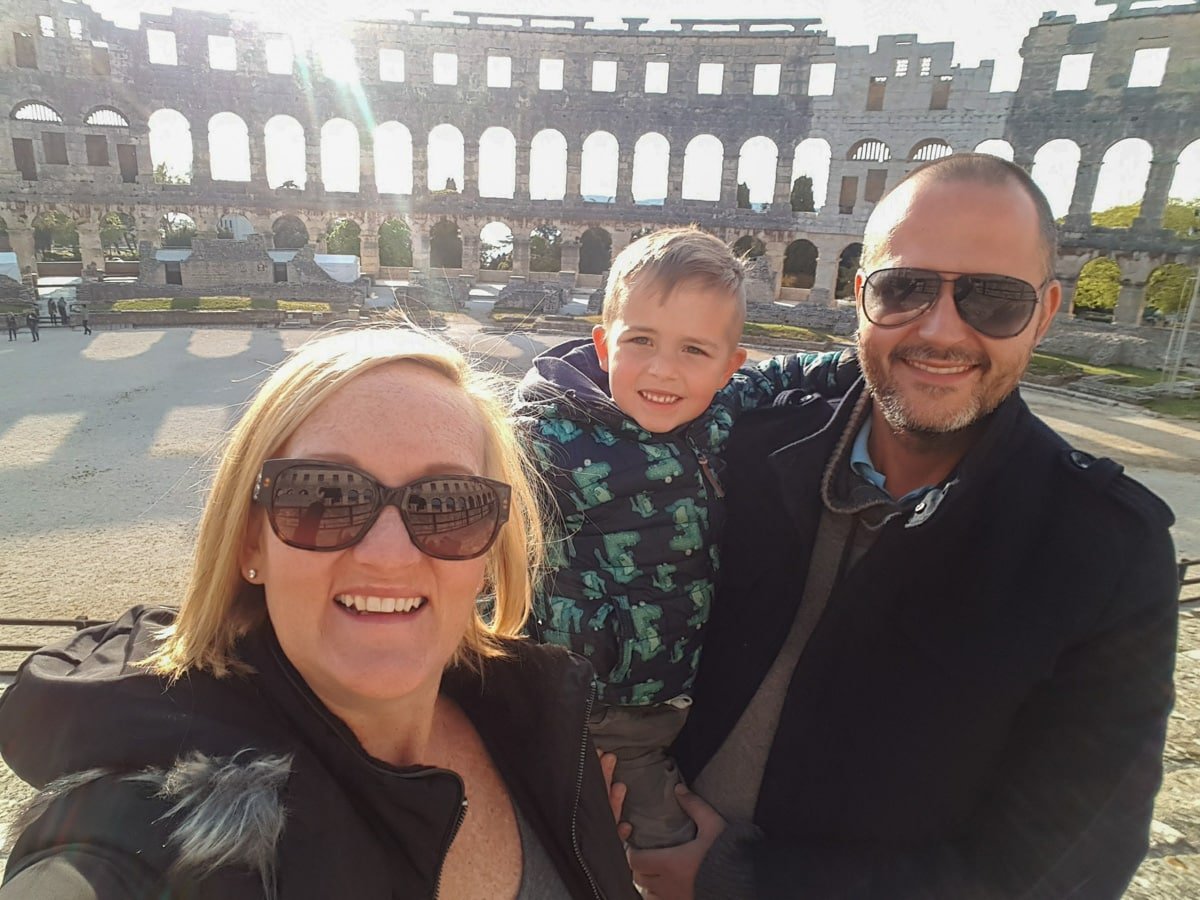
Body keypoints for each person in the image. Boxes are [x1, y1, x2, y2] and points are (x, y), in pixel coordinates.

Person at [631, 153, 1180, 899]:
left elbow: (1061, 872)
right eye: (905, 288)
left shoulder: (1104, 551)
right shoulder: (747, 447)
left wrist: (742, 881)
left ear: (1045, 313)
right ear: (861, 296)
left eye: (993, 299)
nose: (941, 329)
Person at [0, 325, 639, 900]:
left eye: (448, 503)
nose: (389, 556)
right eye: (323, 495)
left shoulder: (541, 726)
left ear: (489, 546)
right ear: (250, 542)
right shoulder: (141, 826)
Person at [514, 226, 857, 851]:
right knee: (652, 845)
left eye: (694, 351)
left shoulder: (718, 411)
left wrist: (865, 360)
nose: (663, 370)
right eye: (640, 340)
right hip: (591, 706)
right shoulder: (546, 438)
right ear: (603, 343)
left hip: (678, 688)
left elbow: (787, 370)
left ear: (729, 367)